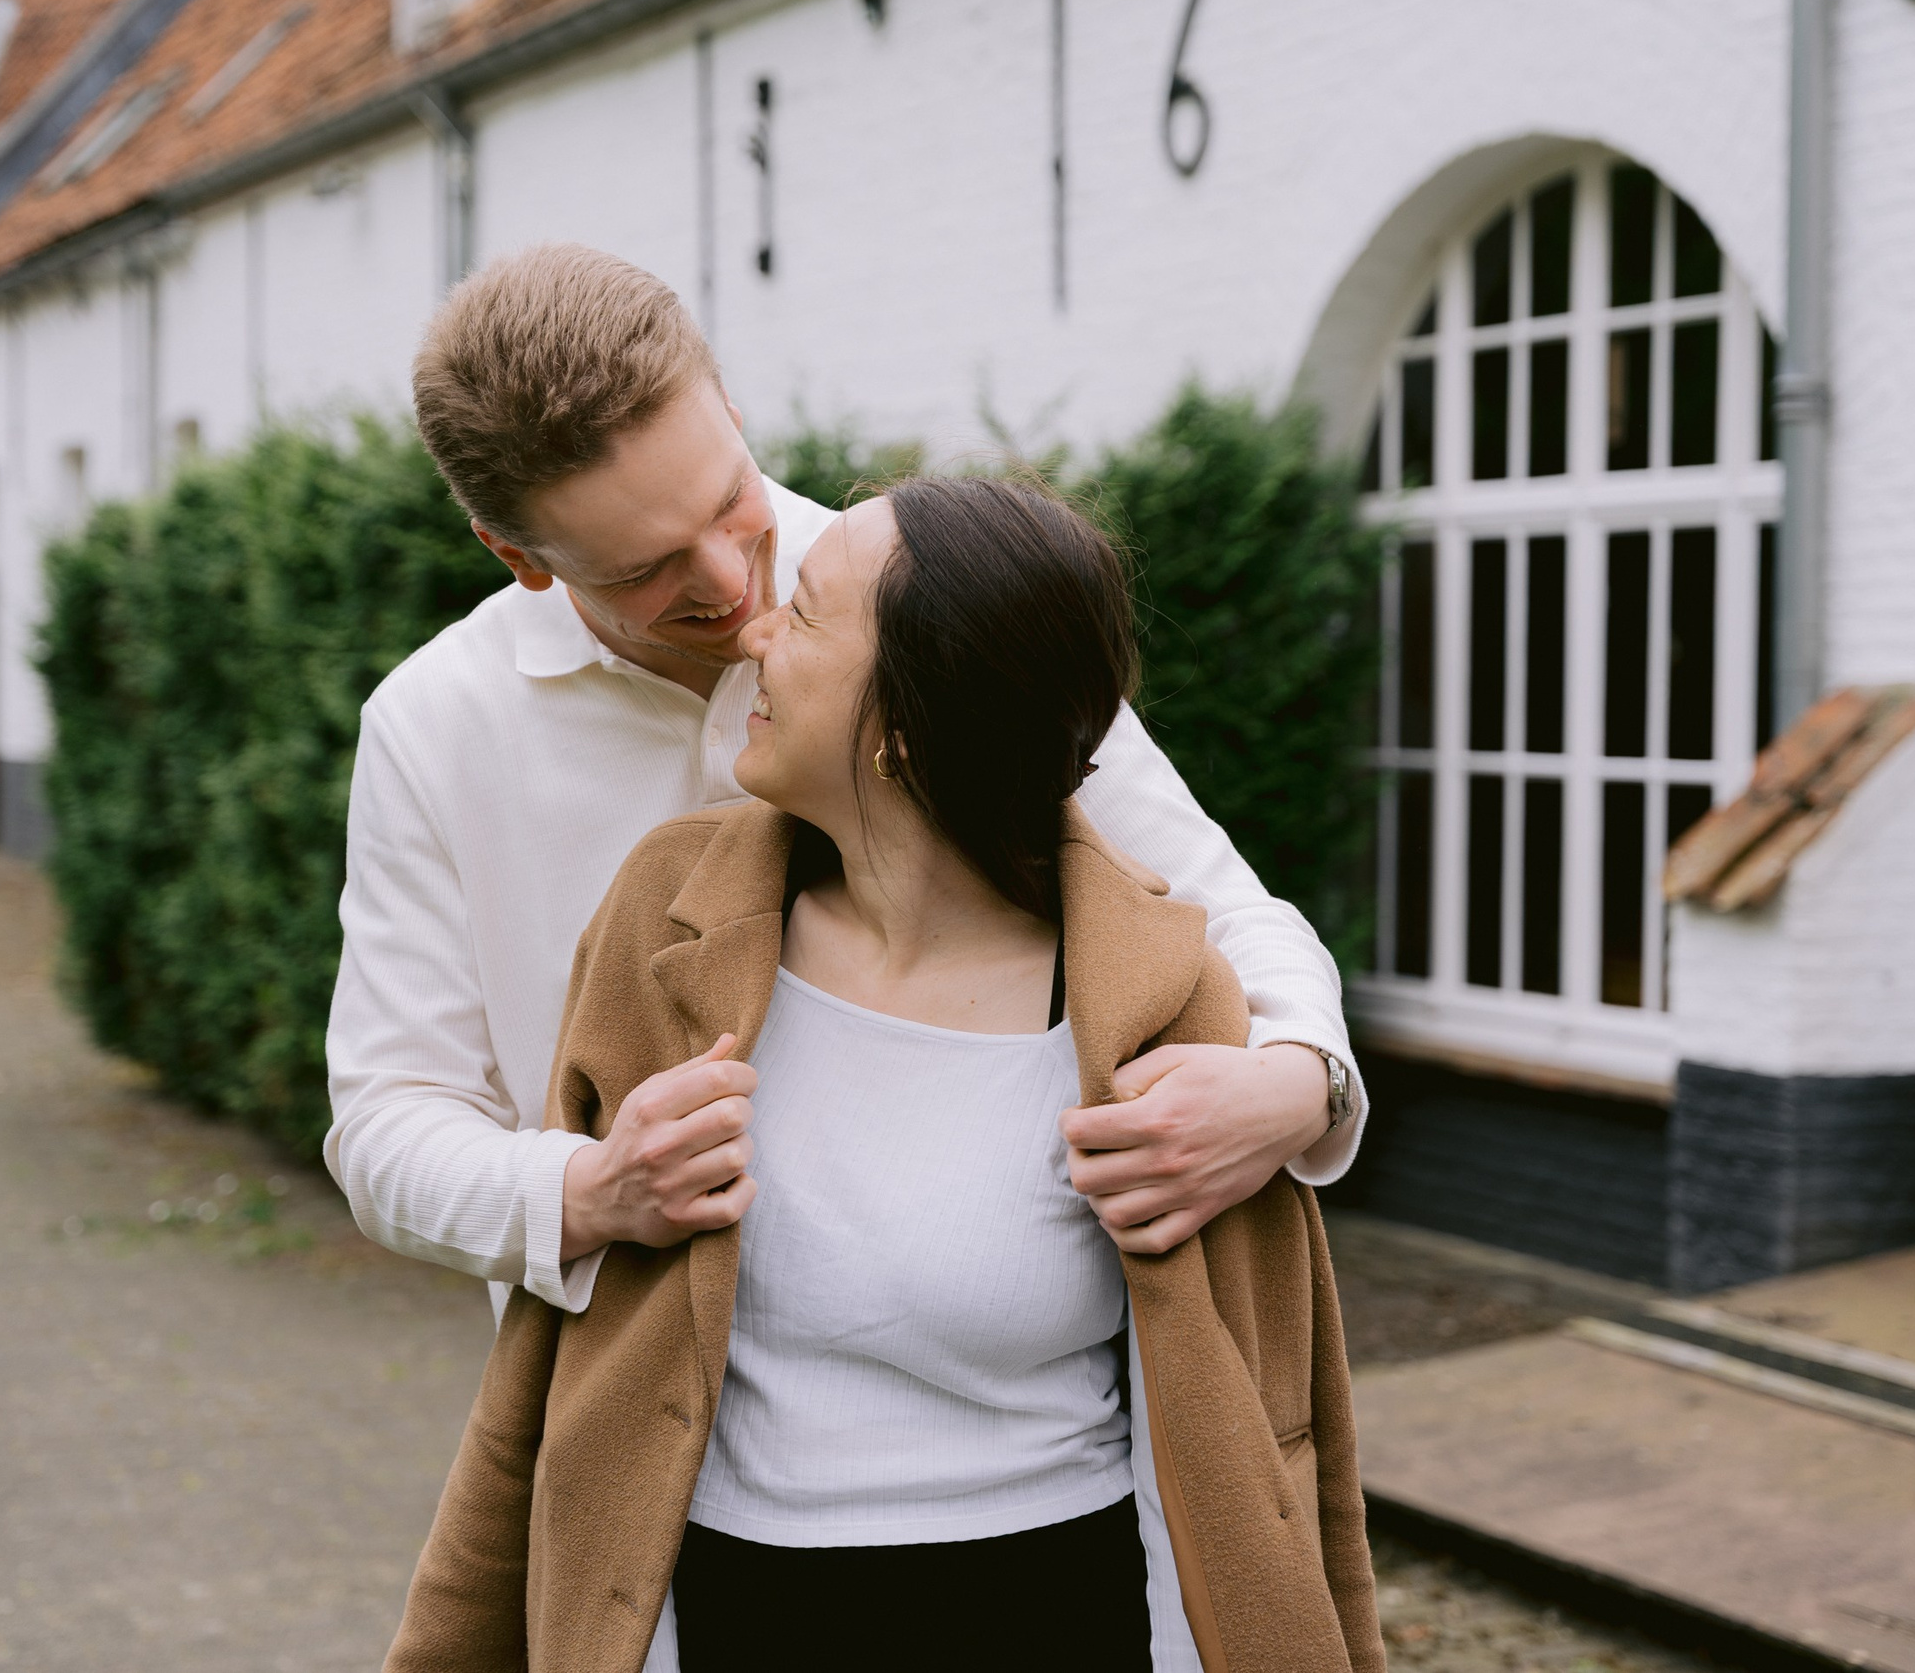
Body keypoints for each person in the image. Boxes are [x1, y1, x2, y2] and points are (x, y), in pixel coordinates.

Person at [383, 476, 1382, 1673]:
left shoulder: (1164, 1016)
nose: (750, 628)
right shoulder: (663, 927)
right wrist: (591, 1191)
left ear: (906, 723)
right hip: (730, 1614)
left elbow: (1280, 1437)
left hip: (1063, 1612)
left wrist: (1306, 1081)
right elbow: (539, 1386)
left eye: (801, 616)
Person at [325, 243, 1365, 1325]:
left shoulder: (914, 600)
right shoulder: (434, 725)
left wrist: (1299, 1083)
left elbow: (1221, 909)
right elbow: (388, 1123)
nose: (735, 589)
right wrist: (590, 1191)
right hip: (622, 1420)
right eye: (645, 569)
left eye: (729, 497)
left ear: (727, 403)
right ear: (516, 555)